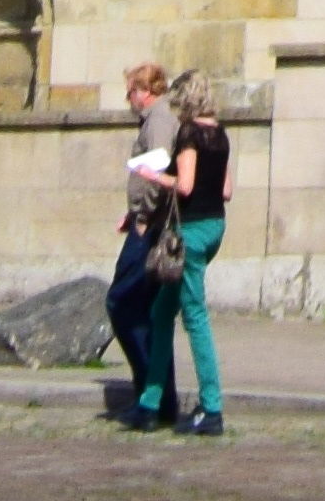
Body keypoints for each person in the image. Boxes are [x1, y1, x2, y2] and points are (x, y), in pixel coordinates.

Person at [107, 60, 185, 434]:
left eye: (130, 91)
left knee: (123, 302)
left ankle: (151, 393)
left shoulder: (158, 119)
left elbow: (158, 166)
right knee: (148, 311)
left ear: (144, 90)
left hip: (152, 227)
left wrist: (143, 215)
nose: (129, 99)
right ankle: (158, 397)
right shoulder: (158, 118)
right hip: (145, 220)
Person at [152, 69, 230, 443]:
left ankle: (211, 407)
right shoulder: (220, 133)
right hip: (216, 225)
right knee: (162, 310)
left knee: (194, 316)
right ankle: (150, 402)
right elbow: (227, 189)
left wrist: (153, 175)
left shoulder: (189, 133)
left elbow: (184, 185)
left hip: (192, 232)